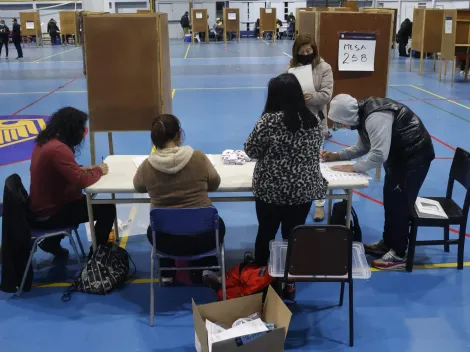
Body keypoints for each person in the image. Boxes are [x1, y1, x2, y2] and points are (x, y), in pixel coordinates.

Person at [322, 94, 435, 270]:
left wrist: (353, 168)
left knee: (400, 205)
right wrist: (337, 156)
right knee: (391, 201)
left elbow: (378, 154)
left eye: (341, 122)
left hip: (414, 157)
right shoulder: (361, 116)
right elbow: (363, 147)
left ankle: (399, 254)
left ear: (347, 117)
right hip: (399, 159)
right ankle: (388, 243)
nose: (342, 126)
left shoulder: (375, 117)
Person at [244, 73, 327, 299]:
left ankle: (261, 278)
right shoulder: (313, 120)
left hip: (270, 190)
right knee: (292, 235)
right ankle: (289, 282)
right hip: (303, 190)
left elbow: (251, 150)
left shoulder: (269, 121)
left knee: (266, 233)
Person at [133, 114, 225, 285]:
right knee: (217, 223)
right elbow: (215, 183)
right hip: (204, 238)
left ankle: (167, 273)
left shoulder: (147, 166)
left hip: (166, 241)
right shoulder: (198, 157)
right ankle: (208, 268)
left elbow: (138, 187)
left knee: (155, 226)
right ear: (179, 134)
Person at [29, 107, 116, 256]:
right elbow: (81, 181)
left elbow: (61, 172)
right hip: (51, 213)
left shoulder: (46, 142)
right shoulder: (58, 150)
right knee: (108, 209)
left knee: (87, 201)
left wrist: (82, 168)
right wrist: (99, 170)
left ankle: (51, 242)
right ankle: (96, 252)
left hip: (43, 207)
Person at [288, 33, 333, 222]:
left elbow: (326, 95)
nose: (306, 53)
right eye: (302, 51)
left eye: (309, 50)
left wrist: (309, 97)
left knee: (315, 163)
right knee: (293, 162)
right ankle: (295, 198)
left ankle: (319, 204)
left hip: (315, 122)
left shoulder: (324, 67)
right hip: (294, 122)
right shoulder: (291, 68)